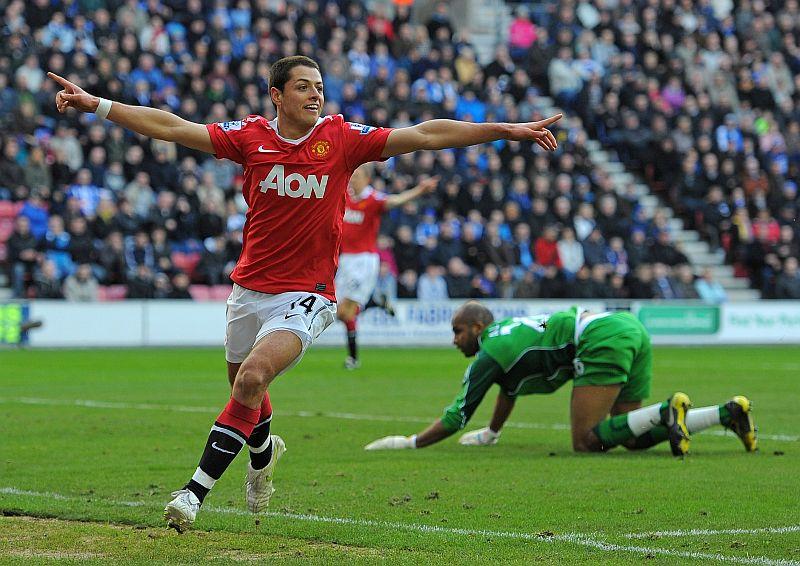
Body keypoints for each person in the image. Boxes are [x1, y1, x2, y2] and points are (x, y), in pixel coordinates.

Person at [48, 55, 562, 532]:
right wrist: (97, 104)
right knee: (244, 393)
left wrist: (504, 131)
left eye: (319, 87)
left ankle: (193, 494)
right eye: (303, 87)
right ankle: (264, 451)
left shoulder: (342, 139)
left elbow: (424, 135)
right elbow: (172, 127)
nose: (315, 96)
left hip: (308, 293)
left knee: (252, 376)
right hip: (248, 290)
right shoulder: (249, 137)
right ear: (276, 95)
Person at [365, 301, 757, 456]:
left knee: (586, 441)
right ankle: (726, 414)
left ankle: (668, 410)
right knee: (630, 437)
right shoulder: (507, 335)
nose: (454, 340)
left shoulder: (490, 352)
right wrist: (492, 433)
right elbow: (510, 389)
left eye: (459, 331)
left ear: (478, 326)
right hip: (625, 327)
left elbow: (457, 416)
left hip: (599, 339)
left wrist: (408, 442)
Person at [336, 163, 438, 369]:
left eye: (357, 176)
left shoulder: (373, 199)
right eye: (352, 176)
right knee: (339, 314)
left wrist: (419, 190)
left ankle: (353, 359)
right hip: (345, 260)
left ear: (367, 179)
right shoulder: (343, 196)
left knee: (345, 312)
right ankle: (376, 303)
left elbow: (396, 200)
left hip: (364, 262)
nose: (353, 179)